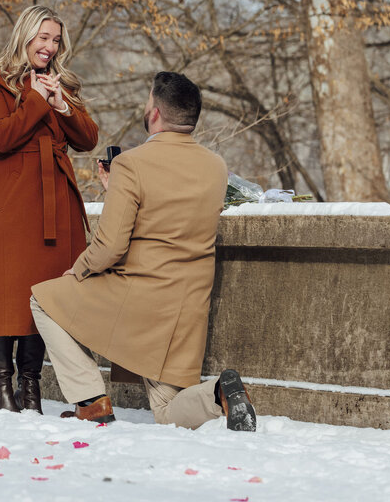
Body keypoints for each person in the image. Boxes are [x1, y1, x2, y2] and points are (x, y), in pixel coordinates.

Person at [29, 71, 256, 431]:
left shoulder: (131, 163)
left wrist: (79, 270)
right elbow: (170, 214)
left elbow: (111, 246)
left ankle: (91, 401)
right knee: (168, 411)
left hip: (140, 297)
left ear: (155, 114)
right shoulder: (216, 167)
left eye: (149, 102)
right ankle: (217, 394)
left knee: (43, 299)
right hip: (188, 307)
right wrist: (115, 188)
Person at [0, 5, 99, 413]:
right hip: (11, 197)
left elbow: (88, 139)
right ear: (25, 35)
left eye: (56, 40)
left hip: (55, 198)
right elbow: (1, 137)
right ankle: (2, 385)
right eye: (43, 37)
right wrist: (34, 97)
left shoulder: (59, 82)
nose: (49, 47)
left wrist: (61, 103)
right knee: (8, 290)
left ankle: (32, 384)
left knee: (45, 292)